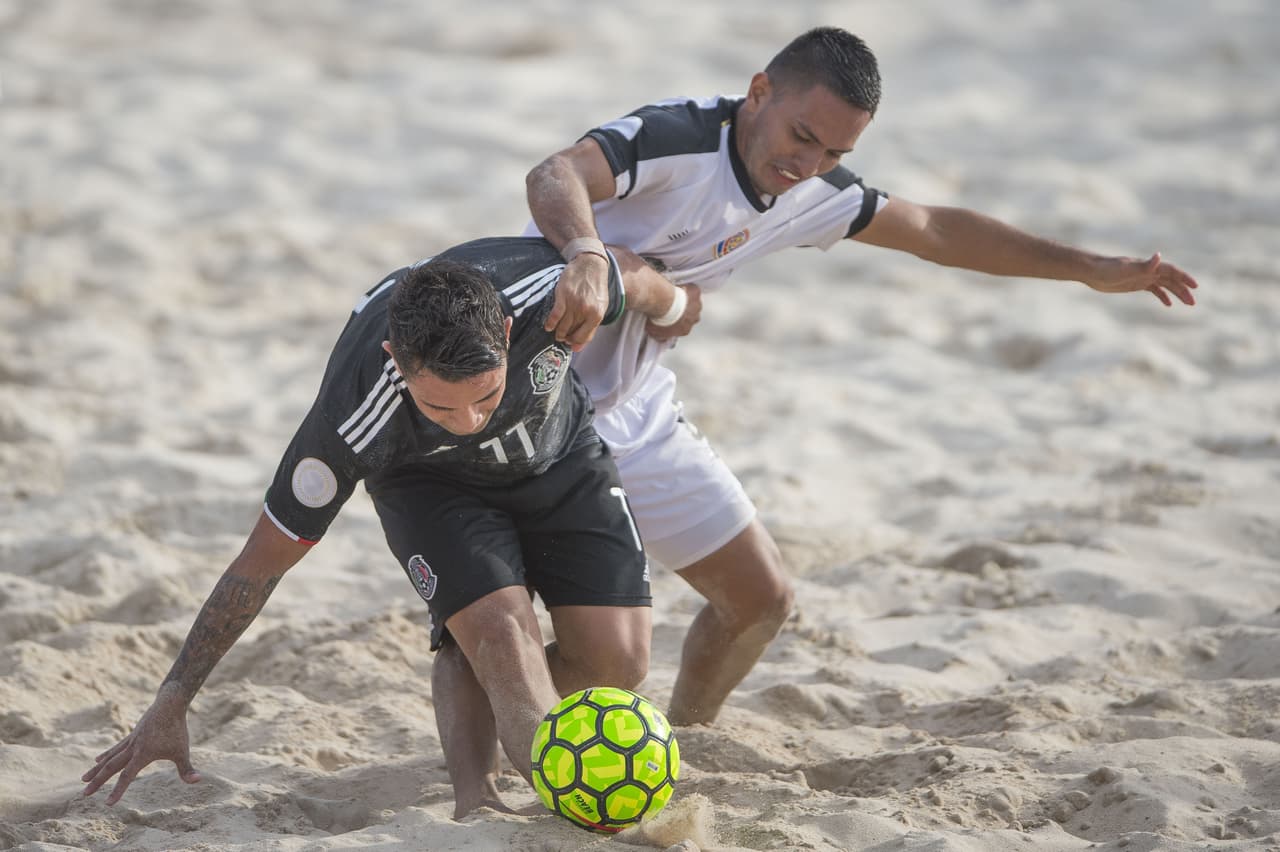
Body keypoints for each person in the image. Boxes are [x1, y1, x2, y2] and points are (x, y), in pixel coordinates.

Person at [516, 26, 1200, 727]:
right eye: (802, 136)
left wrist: (1087, 269)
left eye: (835, 153)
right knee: (600, 659)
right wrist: (587, 254)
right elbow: (555, 173)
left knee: (760, 601)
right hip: (529, 402)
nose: (808, 164)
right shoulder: (680, 138)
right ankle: (502, 718)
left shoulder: (811, 188)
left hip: (634, 403)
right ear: (759, 93)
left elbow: (934, 229)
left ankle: (689, 737)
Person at [79, 236, 687, 818]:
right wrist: (173, 700)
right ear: (396, 359)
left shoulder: (549, 291)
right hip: (432, 486)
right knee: (501, 637)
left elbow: (625, 273)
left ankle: (491, 682)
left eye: (484, 396)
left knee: (619, 663)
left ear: (506, 333)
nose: (468, 421)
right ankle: (485, 794)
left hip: (559, 454)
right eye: (440, 405)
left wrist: (677, 306)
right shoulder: (351, 417)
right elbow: (257, 565)